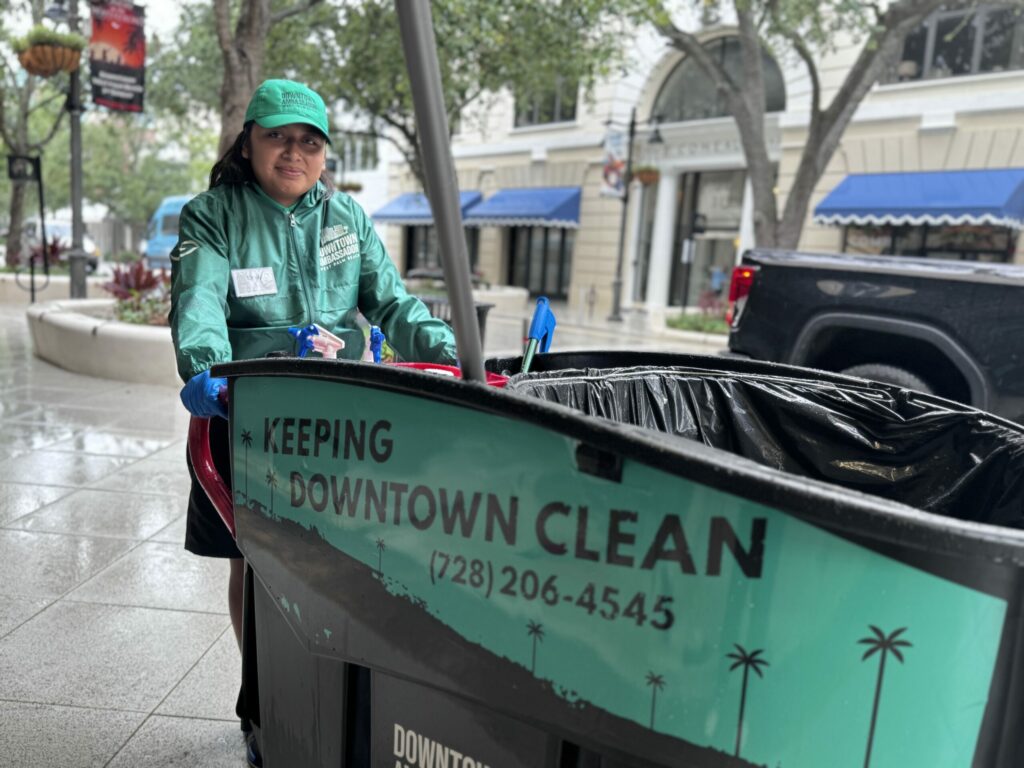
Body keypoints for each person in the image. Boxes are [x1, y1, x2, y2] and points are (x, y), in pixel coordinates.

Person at [169, 79, 456, 767]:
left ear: (325, 153)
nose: (293, 151)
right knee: (255, 558)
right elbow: (199, 296)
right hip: (247, 418)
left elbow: (392, 304)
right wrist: (205, 366)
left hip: (340, 424)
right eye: (278, 136)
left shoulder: (347, 221)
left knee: (339, 558)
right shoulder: (214, 215)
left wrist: (453, 351)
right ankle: (267, 692)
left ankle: (331, 692)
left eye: (310, 140)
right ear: (250, 143)